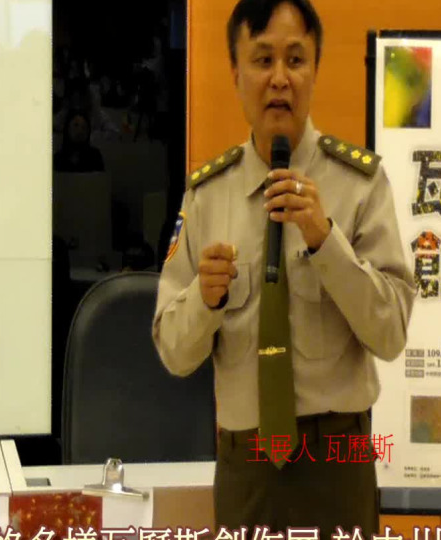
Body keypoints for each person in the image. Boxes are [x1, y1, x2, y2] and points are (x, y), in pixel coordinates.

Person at [152, 0, 415, 535]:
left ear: (315, 69)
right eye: (262, 59)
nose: (279, 79)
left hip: (338, 460)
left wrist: (326, 242)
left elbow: (390, 334)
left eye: (295, 60)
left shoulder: (360, 185)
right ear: (235, 72)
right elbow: (174, 351)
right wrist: (204, 298)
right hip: (246, 463)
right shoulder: (207, 195)